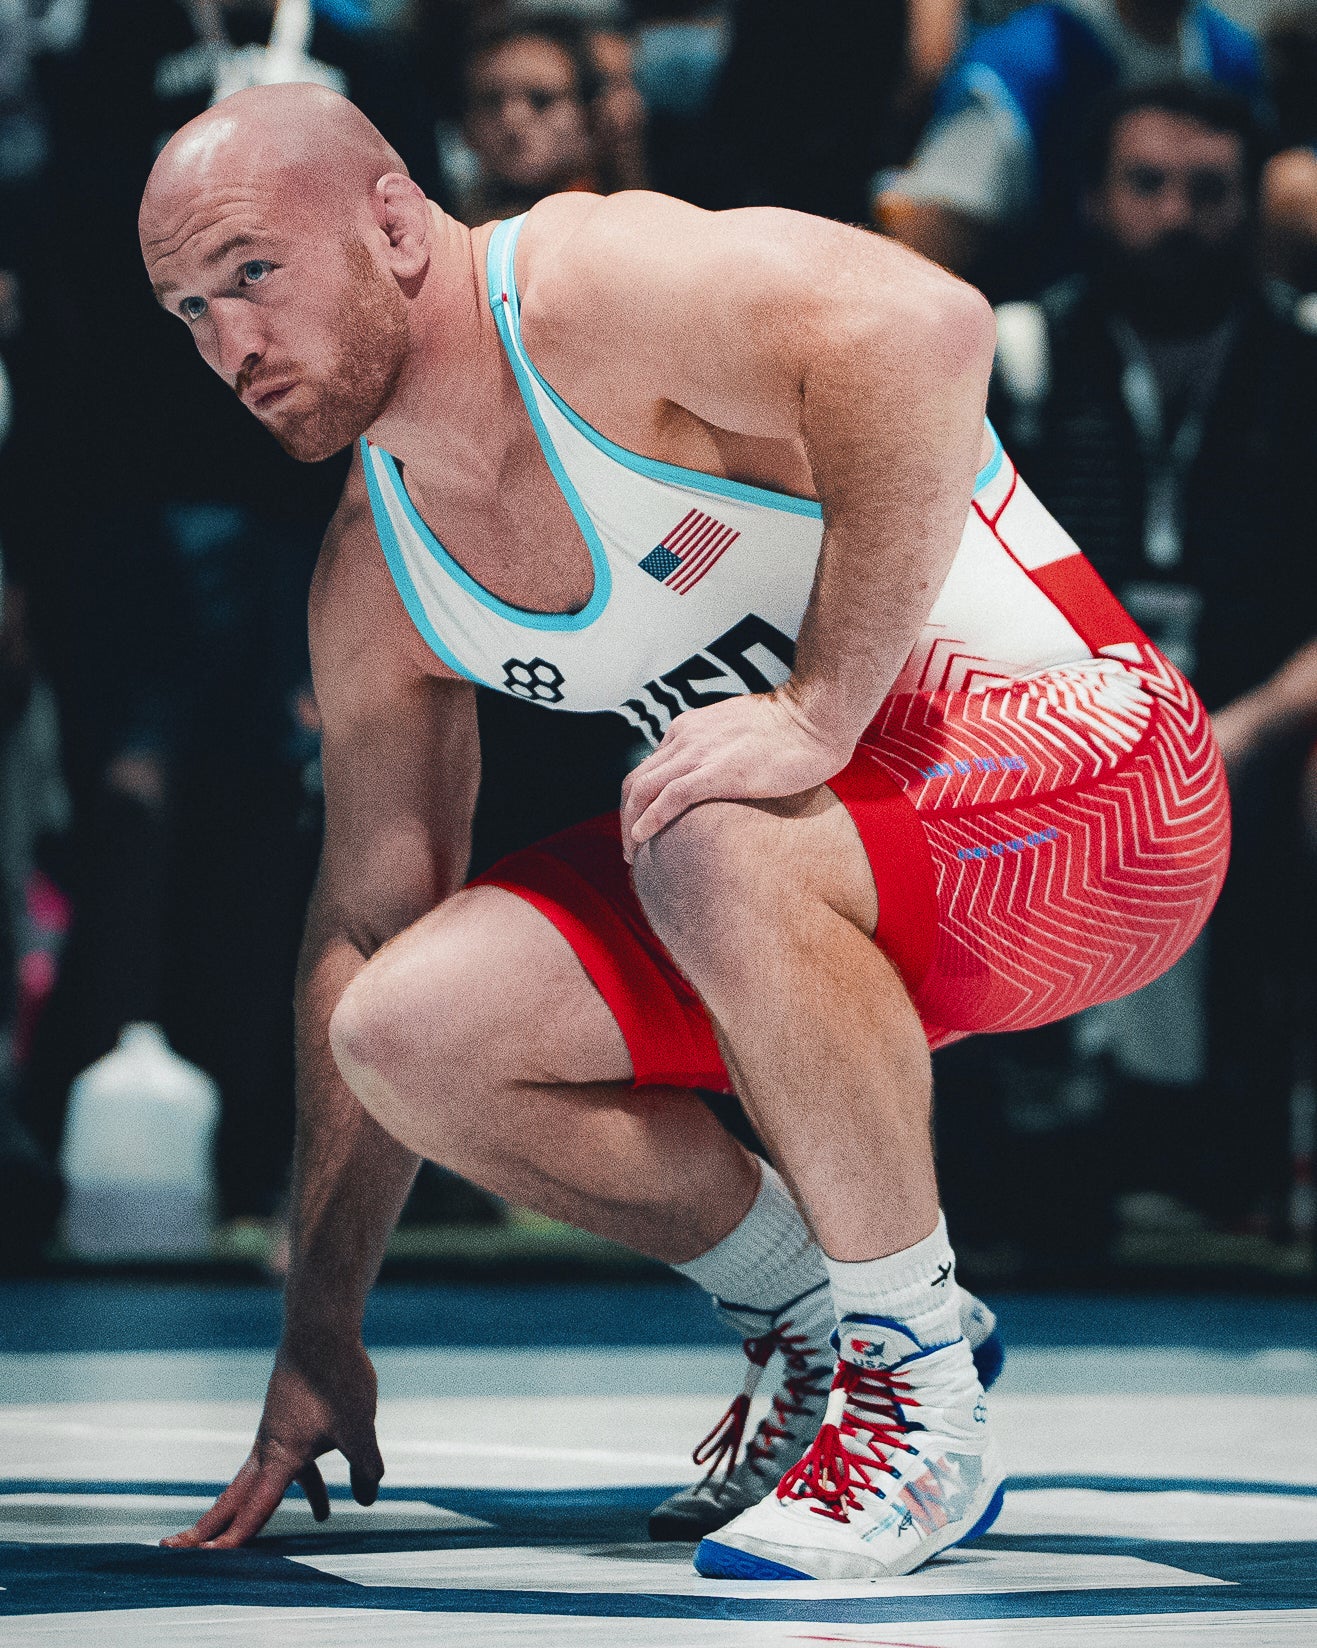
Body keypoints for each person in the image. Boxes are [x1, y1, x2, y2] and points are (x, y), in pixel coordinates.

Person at [136, 83, 1229, 1581]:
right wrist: (321, 1321)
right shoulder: (375, 568)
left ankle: (911, 1402)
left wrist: (825, 705)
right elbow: (370, 923)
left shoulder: (587, 284)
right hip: (831, 885)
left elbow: (932, 326)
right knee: (400, 1025)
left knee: (708, 832)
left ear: (394, 220)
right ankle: (819, 1319)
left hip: (1108, 800)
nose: (227, 346)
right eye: (188, 310)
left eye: (252, 273)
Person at [989, 80, 1317, 1227]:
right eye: (1148, 184)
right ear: (1091, 197)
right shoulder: (1019, 357)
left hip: (1258, 719)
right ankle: (1017, 1139)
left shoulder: (1303, 361)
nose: (1177, 216)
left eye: (1210, 191)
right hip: (1050, 718)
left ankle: (1281, 1144)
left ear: (1253, 207)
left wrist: (1244, 730)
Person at [876, 0, 1264, 293]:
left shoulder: (1232, 53)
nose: (1176, 215)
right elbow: (918, 257)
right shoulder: (1023, 68)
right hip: (1064, 355)